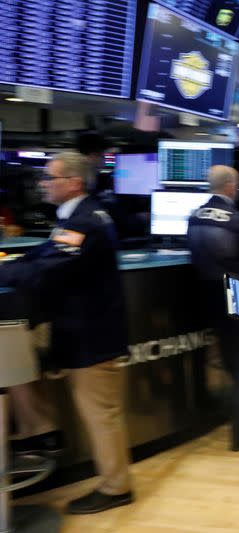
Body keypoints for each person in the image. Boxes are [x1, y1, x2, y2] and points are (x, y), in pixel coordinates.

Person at [0, 152, 133, 514]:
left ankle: (115, 487)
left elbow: (46, 270)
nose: (44, 184)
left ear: (73, 182)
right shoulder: (78, 218)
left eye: (50, 178)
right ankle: (110, 479)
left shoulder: (85, 222)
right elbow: (42, 255)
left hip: (92, 337)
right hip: (88, 333)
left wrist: (6, 274)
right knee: (100, 413)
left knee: (101, 415)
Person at [187, 165, 239, 451]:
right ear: (232, 186)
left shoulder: (194, 217)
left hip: (209, 299)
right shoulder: (237, 220)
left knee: (234, 361)